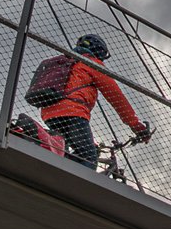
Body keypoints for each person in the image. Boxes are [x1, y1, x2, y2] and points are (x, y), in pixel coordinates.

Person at [34, 32, 151, 168]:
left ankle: (56, 166)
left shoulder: (67, 61)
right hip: (72, 113)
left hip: (49, 113)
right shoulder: (92, 64)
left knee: (70, 151)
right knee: (89, 158)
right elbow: (117, 98)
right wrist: (137, 127)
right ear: (100, 53)